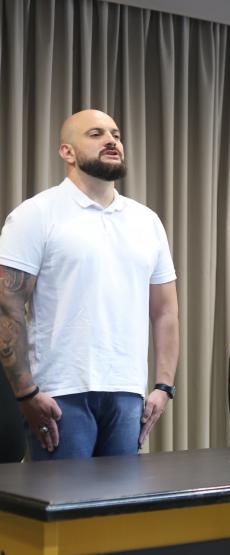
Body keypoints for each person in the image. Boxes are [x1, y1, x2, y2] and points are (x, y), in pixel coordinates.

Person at [0, 109, 179, 460]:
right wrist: (26, 394)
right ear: (67, 152)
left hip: (127, 393)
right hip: (59, 394)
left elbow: (165, 310)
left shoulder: (147, 221)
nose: (112, 140)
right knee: (63, 510)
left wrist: (163, 387)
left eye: (115, 133)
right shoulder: (35, 214)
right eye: (96, 134)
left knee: (119, 513)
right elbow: (7, 304)